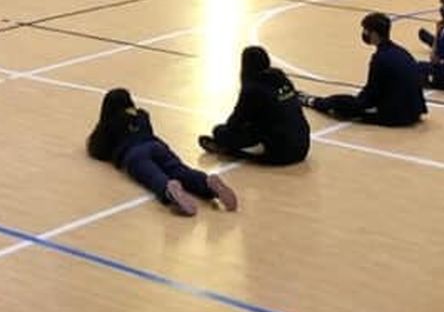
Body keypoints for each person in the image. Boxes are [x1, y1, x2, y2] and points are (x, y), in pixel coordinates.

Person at [87, 87, 238, 216]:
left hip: (133, 154)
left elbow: (97, 149)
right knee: (179, 170)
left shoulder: (110, 122)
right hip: (156, 145)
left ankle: (168, 188)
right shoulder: (142, 115)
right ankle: (206, 183)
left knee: (153, 176)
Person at [297, 12, 426, 126]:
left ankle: (312, 101)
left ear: (374, 34)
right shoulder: (401, 51)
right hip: (415, 110)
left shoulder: (379, 59)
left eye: (366, 31)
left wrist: (353, 105)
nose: (364, 34)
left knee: (341, 103)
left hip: (396, 116)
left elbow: (371, 93)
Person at [197, 45, 310, 164]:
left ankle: (235, 151)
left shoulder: (252, 88)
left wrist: (226, 132)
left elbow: (236, 121)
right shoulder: (279, 76)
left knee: (220, 132)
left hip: (281, 152)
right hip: (303, 145)